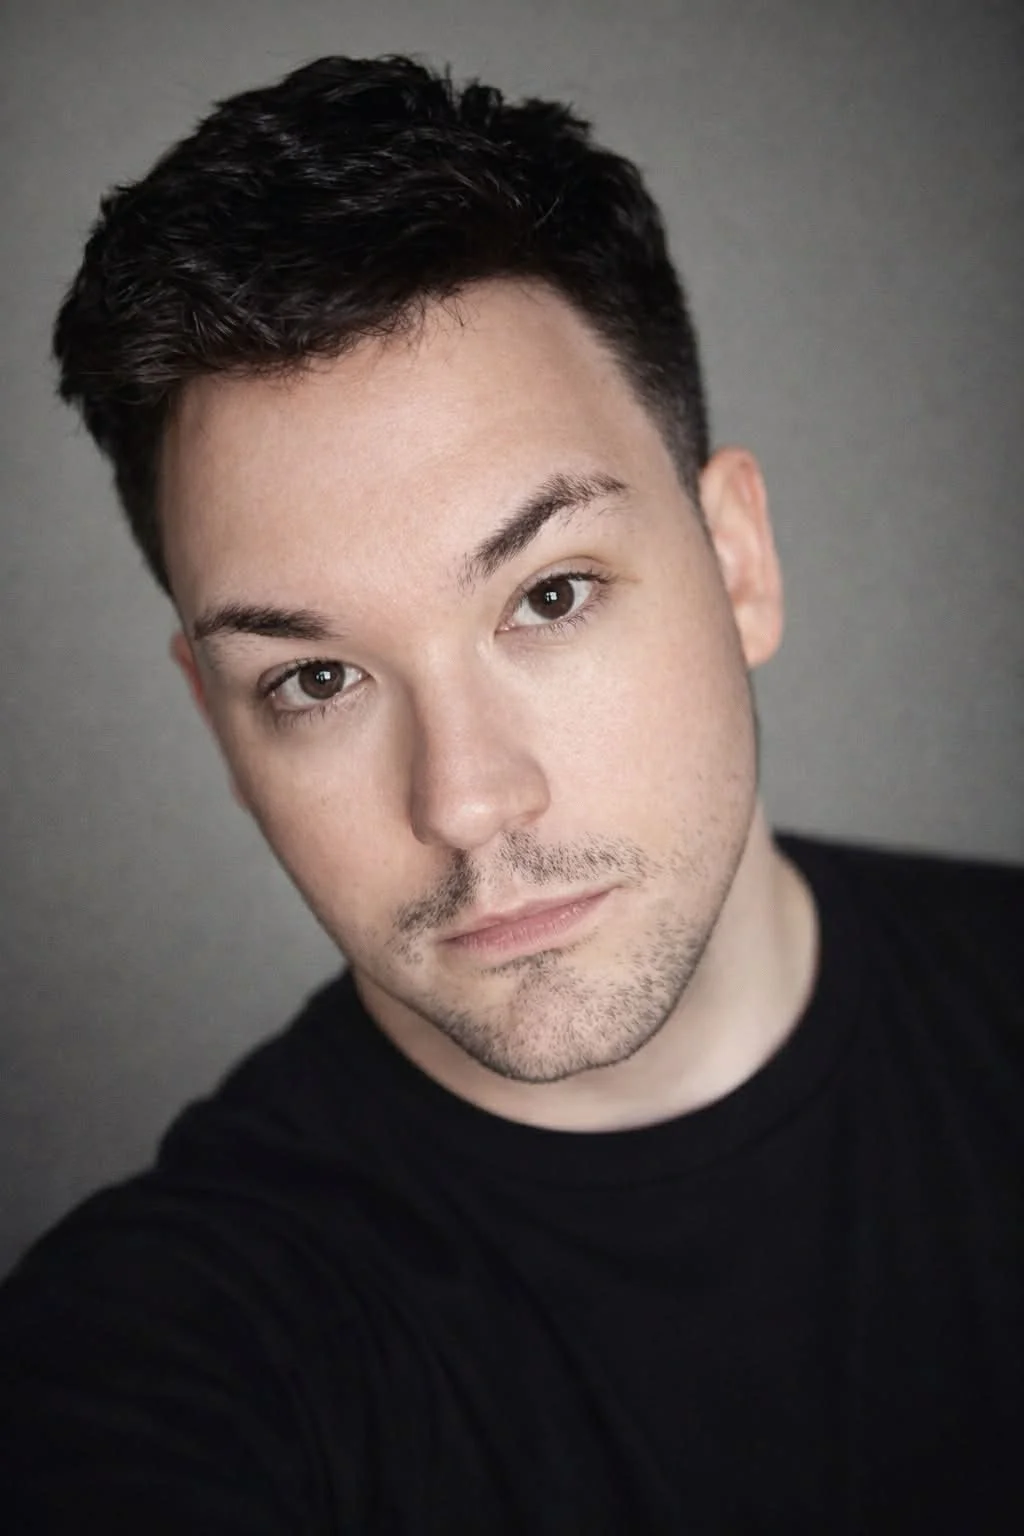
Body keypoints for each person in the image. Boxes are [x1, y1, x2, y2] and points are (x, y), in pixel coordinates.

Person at [1, 52, 1021, 1535]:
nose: (467, 802)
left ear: (736, 561)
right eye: (317, 679)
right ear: (221, 727)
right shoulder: (160, 1351)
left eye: (548, 594)